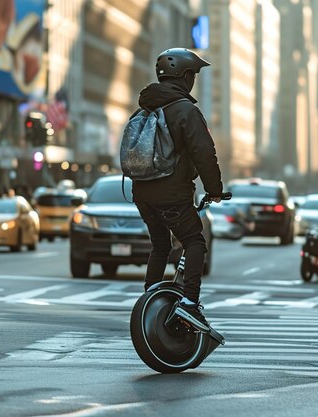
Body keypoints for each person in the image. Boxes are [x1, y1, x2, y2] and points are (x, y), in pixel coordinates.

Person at [131, 48, 224, 332]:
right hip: (171, 194)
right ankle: (189, 303)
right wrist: (215, 189)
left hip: (142, 194)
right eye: (193, 74)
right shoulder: (186, 111)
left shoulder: (143, 108)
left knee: (161, 245)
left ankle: (149, 300)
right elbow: (204, 153)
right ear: (184, 76)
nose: (194, 79)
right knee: (194, 241)